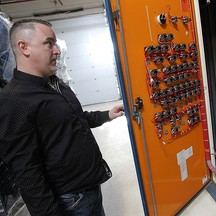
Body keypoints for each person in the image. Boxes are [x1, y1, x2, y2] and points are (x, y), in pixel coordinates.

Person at [0, 19, 124, 216]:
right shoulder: (14, 100)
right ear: (24, 47)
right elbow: (26, 172)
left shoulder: (54, 84)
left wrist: (107, 115)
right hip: (70, 202)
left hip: (89, 188)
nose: (57, 50)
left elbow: (76, 119)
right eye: (49, 43)